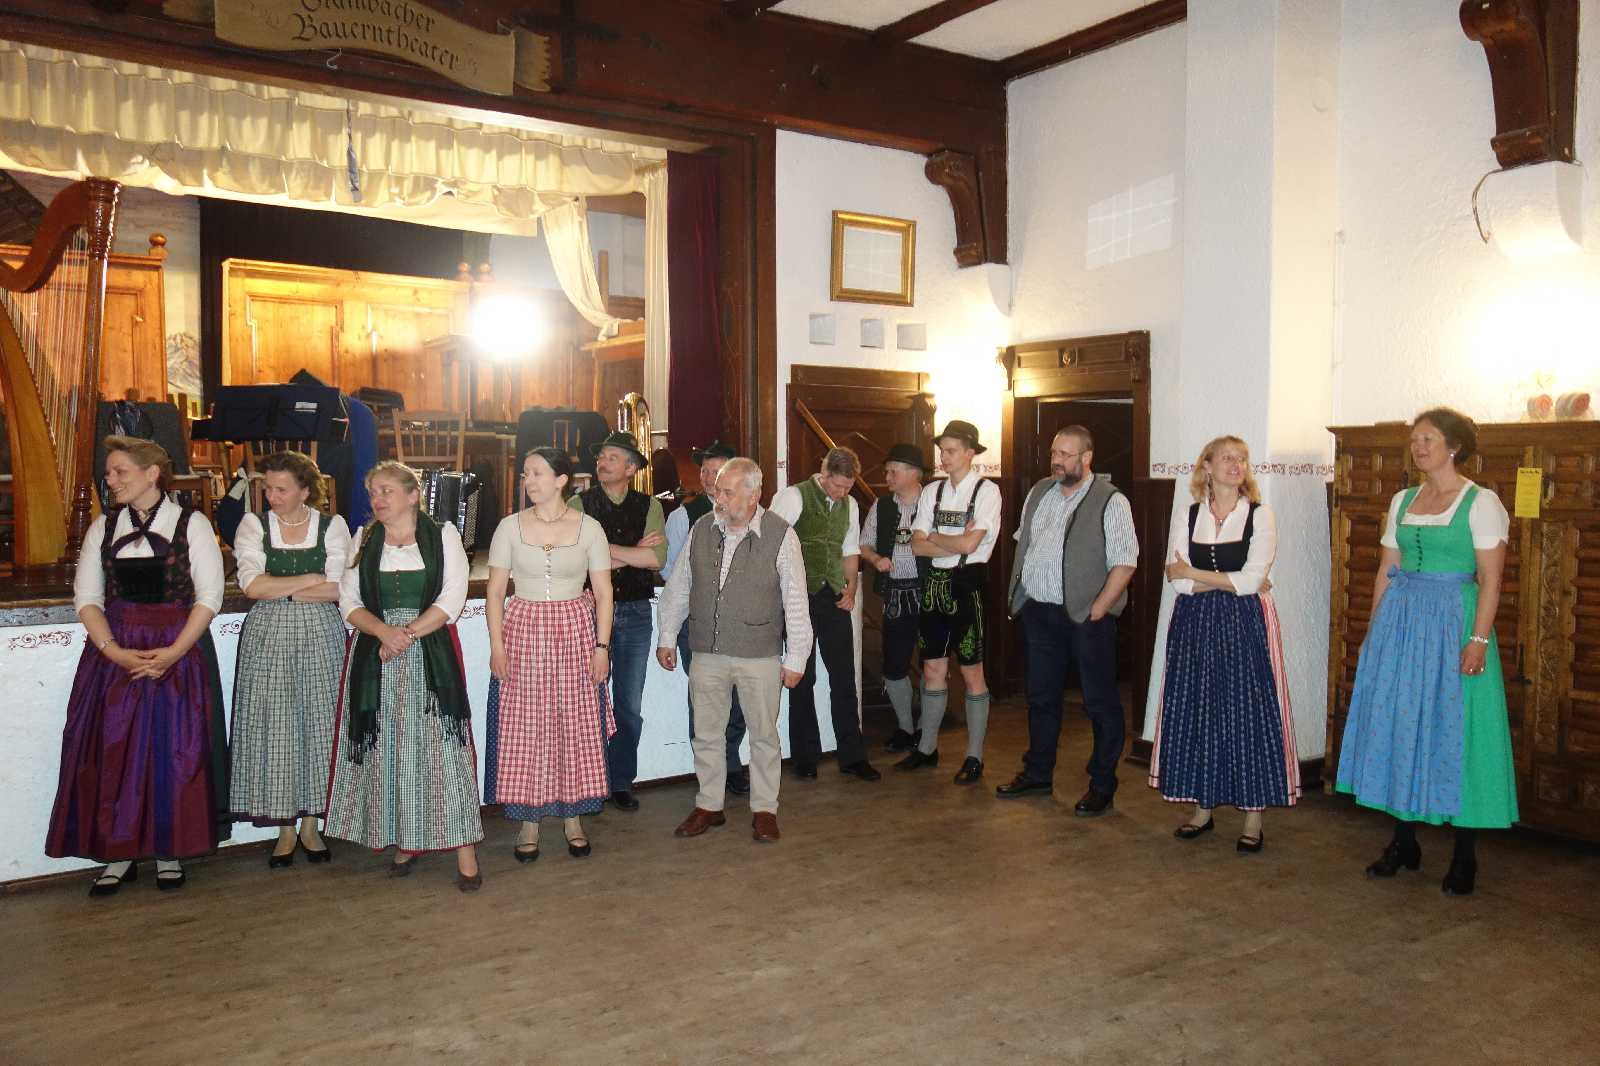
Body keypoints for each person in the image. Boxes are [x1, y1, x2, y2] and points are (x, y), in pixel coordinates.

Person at [1336, 408, 1516, 896]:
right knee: (1403, 724)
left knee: (1457, 730)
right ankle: (1404, 842)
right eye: (1415, 439)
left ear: (1454, 447)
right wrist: (1374, 631)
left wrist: (1478, 640)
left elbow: (1491, 579)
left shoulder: (1481, 503)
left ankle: (1464, 855)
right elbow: (1386, 568)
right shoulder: (1403, 500)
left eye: (1428, 439)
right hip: (1402, 622)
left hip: (1453, 622)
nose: (1418, 446)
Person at [46, 436, 228, 895]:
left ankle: (169, 851)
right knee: (114, 751)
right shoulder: (103, 527)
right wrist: (113, 651)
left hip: (177, 651)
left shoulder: (191, 523)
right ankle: (118, 853)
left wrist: (174, 652)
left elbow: (210, 596)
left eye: (119, 471)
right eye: (109, 472)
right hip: (116, 654)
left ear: (152, 474)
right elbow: (87, 598)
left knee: (173, 750)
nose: (110, 480)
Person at [325, 461, 483, 891]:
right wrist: (383, 632)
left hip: (428, 652)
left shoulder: (443, 536)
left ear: (413, 495)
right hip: (376, 657)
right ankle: (407, 839)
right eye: (373, 492)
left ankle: (465, 848)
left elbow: (452, 598)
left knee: (444, 751)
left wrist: (406, 634)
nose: (377, 499)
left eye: (386, 491)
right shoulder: (365, 538)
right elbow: (349, 600)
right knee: (390, 750)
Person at [1150, 436, 1298, 851]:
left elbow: (1251, 581)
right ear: (1208, 466)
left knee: (1247, 712)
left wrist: (1197, 575)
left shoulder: (1260, 516)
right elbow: (1177, 581)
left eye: (1242, 459)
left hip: (1244, 623)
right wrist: (1223, 582)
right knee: (1199, 709)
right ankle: (1203, 809)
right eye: (1227, 458)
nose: (1236, 465)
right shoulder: (1189, 513)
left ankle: (1253, 817)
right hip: (1195, 624)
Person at [656, 458, 813, 844]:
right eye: (717, 492)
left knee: (764, 736)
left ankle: (765, 810)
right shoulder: (702, 528)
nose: (719, 499)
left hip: (759, 654)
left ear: (754, 494)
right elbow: (679, 586)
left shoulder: (781, 534)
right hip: (706, 652)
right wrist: (667, 635)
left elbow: (795, 600)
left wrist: (797, 657)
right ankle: (709, 805)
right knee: (707, 733)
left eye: (727, 492)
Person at [484, 448, 614, 862]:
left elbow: (604, 593)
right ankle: (529, 822)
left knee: (573, 725)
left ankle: (573, 818)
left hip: (575, 631)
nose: (529, 481)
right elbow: (494, 592)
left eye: (538, 473)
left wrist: (601, 648)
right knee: (527, 727)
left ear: (561, 480)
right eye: (526, 474)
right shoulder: (509, 527)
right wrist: (497, 646)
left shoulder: (589, 528)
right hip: (523, 631)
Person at [1001, 425, 1138, 813]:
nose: (1057, 461)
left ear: (1087, 457)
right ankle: (1038, 773)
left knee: (1099, 702)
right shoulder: (1039, 491)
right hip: (1039, 612)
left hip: (1086, 618)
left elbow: (1126, 561)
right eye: (1054, 454)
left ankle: (1102, 784)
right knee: (1041, 697)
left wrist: (1099, 608)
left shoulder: (1111, 500)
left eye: (1065, 454)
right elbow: (1024, 542)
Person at [229, 450, 350, 867]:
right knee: (275, 725)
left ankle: (312, 824)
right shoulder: (253, 525)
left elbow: (340, 588)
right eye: (268, 488)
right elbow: (252, 586)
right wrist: (311, 578)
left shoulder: (332, 526)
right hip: (268, 634)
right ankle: (284, 828)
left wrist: (286, 588)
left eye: (281, 489)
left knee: (320, 723)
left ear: (304, 491)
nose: (272, 496)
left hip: (321, 632)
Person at [897, 420, 1001, 784]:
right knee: (931, 670)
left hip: (968, 586)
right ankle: (927, 748)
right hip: (934, 585)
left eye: (951, 450)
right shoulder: (932, 491)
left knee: (972, 672)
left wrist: (937, 538)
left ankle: (974, 757)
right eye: (942, 450)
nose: (944, 456)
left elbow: (971, 546)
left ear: (971, 453)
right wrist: (954, 541)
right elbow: (915, 545)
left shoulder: (987, 491)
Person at [570, 431, 666, 812]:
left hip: (637, 613)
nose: (602, 462)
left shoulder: (650, 506)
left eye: (612, 457)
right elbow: (576, 560)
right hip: (590, 612)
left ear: (631, 468)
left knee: (628, 704)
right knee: (589, 702)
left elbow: (656, 559)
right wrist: (632, 552)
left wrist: (604, 553)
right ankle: (591, 783)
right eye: (601, 457)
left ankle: (620, 781)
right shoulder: (578, 503)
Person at [770, 447, 878, 782]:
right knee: (803, 677)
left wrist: (851, 588)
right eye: (837, 486)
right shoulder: (793, 497)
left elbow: (849, 549)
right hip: (798, 598)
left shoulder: (851, 505)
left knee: (845, 676)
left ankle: (852, 756)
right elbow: (769, 543)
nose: (842, 493)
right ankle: (805, 757)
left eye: (848, 487)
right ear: (824, 472)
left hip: (833, 596)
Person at [663, 439, 749, 797]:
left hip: (740, 624)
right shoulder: (683, 517)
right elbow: (671, 574)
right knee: (704, 698)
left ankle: (729, 760)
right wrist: (669, 633)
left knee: (739, 696)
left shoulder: (750, 514)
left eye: (716, 470)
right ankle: (713, 769)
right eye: (704, 470)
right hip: (697, 625)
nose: (708, 476)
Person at [858, 443, 929, 753]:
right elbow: (864, 544)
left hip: (930, 592)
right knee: (894, 664)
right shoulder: (882, 505)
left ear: (913, 473)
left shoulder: (935, 502)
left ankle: (927, 728)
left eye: (892, 471)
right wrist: (876, 560)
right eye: (887, 471)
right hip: (895, 593)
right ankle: (905, 727)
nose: (886, 477)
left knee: (932, 664)